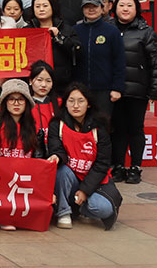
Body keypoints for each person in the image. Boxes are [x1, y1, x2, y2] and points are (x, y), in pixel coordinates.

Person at [48, 83, 121, 230]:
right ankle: (64, 212)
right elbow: (57, 149)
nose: (76, 105)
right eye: (71, 101)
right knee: (61, 170)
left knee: (104, 209)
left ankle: (78, 208)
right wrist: (56, 156)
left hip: (95, 181)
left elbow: (102, 164)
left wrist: (85, 191)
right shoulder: (57, 125)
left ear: (88, 104)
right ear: (65, 103)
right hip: (70, 178)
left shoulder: (99, 127)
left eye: (80, 101)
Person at [112, 0, 157, 184]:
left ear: (137, 9)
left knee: (135, 129)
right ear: (115, 8)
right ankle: (117, 166)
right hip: (114, 91)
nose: (125, 9)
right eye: (121, 5)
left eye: (130, 6)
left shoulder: (146, 31)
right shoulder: (108, 29)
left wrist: (154, 91)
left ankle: (135, 167)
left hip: (137, 91)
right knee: (117, 130)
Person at [0, 78, 45, 229]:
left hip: (25, 180)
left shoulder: (35, 130)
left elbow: (39, 160)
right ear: (4, 102)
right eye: (11, 99)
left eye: (20, 99)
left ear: (27, 103)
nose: (16, 103)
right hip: (0, 179)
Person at [73, 0, 126, 122]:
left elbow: (119, 61)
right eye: (87, 7)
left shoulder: (112, 31)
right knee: (80, 124)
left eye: (95, 6)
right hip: (80, 89)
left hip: (104, 90)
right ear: (82, 9)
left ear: (102, 9)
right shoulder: (75, 30)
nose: (91, 10)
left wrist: (117, 88)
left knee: (103, 126)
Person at [28, 0, 79, 96]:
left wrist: (59, 37)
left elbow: (77, 51)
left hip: (61, 83)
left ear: (52, 8)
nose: (41, 9)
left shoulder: (66, 29)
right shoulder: (27, 30)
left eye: (45, 6)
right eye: (37, 6)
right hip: (34, 84)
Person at [27, 60, 57, 146]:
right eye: (39, 80)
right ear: (30, 81)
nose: (44, 85)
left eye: (48, 81)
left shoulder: (59, 104)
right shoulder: (24, 104)